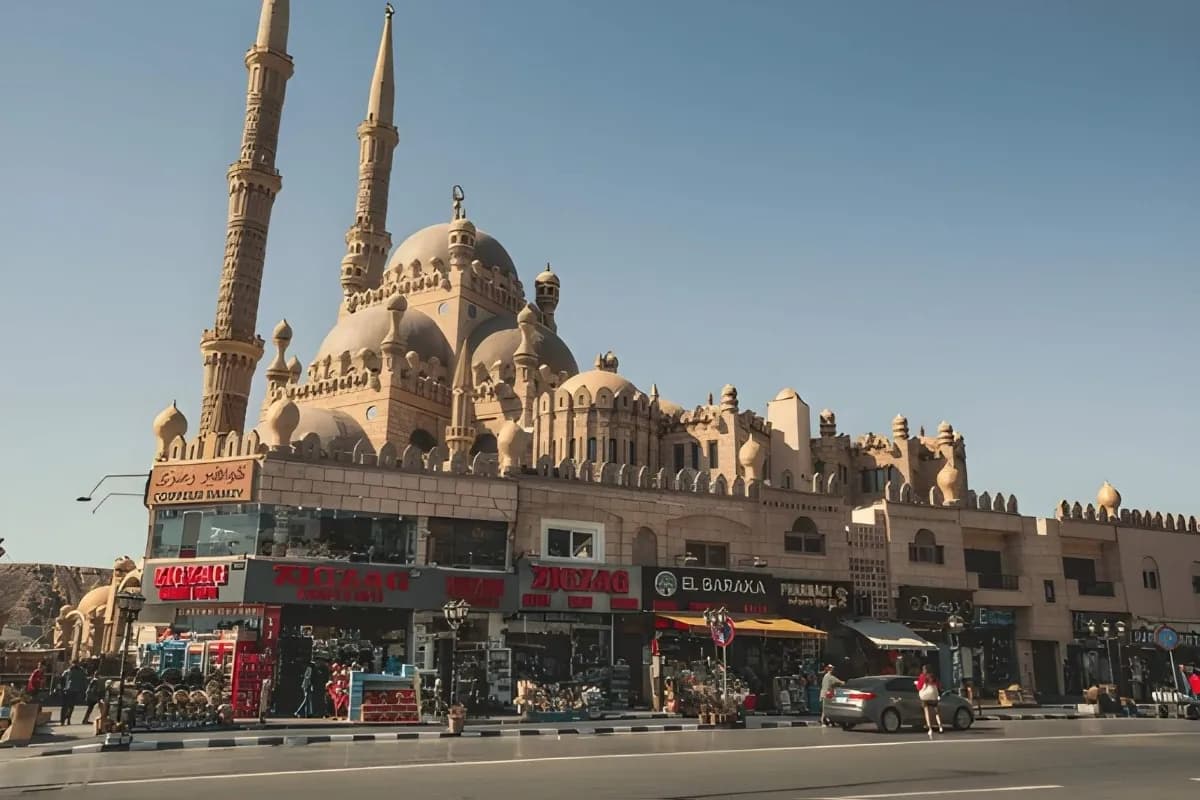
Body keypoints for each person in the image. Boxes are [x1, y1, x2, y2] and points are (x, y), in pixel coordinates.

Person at [915, 664, 944, 738]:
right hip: (934, 695)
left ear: (924, 670)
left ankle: (930, 728)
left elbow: (919, 687)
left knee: (927, 711)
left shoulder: (922, 676)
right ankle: (940, 726)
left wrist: (916, 684)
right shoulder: (933, 676)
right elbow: (939, 686)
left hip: (926, 696)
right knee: (936, 711)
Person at [59, 661, 88, 725]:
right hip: (75, 690)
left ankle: (62, 721)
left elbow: (61, 678)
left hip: (67, 690)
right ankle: (68, 719)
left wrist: (62, 688)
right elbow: (84, 681)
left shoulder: (68, 671)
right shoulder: (81, 671)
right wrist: (84, 690)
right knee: (71, 706)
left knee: (65, 706)